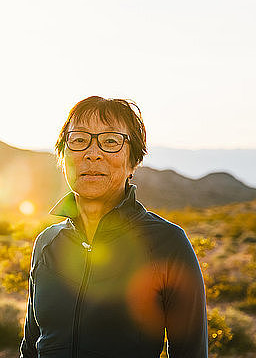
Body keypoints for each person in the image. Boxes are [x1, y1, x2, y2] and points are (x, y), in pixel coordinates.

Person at [20, 96, 208, 358]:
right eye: (78, 140)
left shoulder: (167, 243)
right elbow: (31, 346)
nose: (92, 153)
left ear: (133, 161)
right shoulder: (47, 242)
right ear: (62, 156)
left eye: (110, 141)